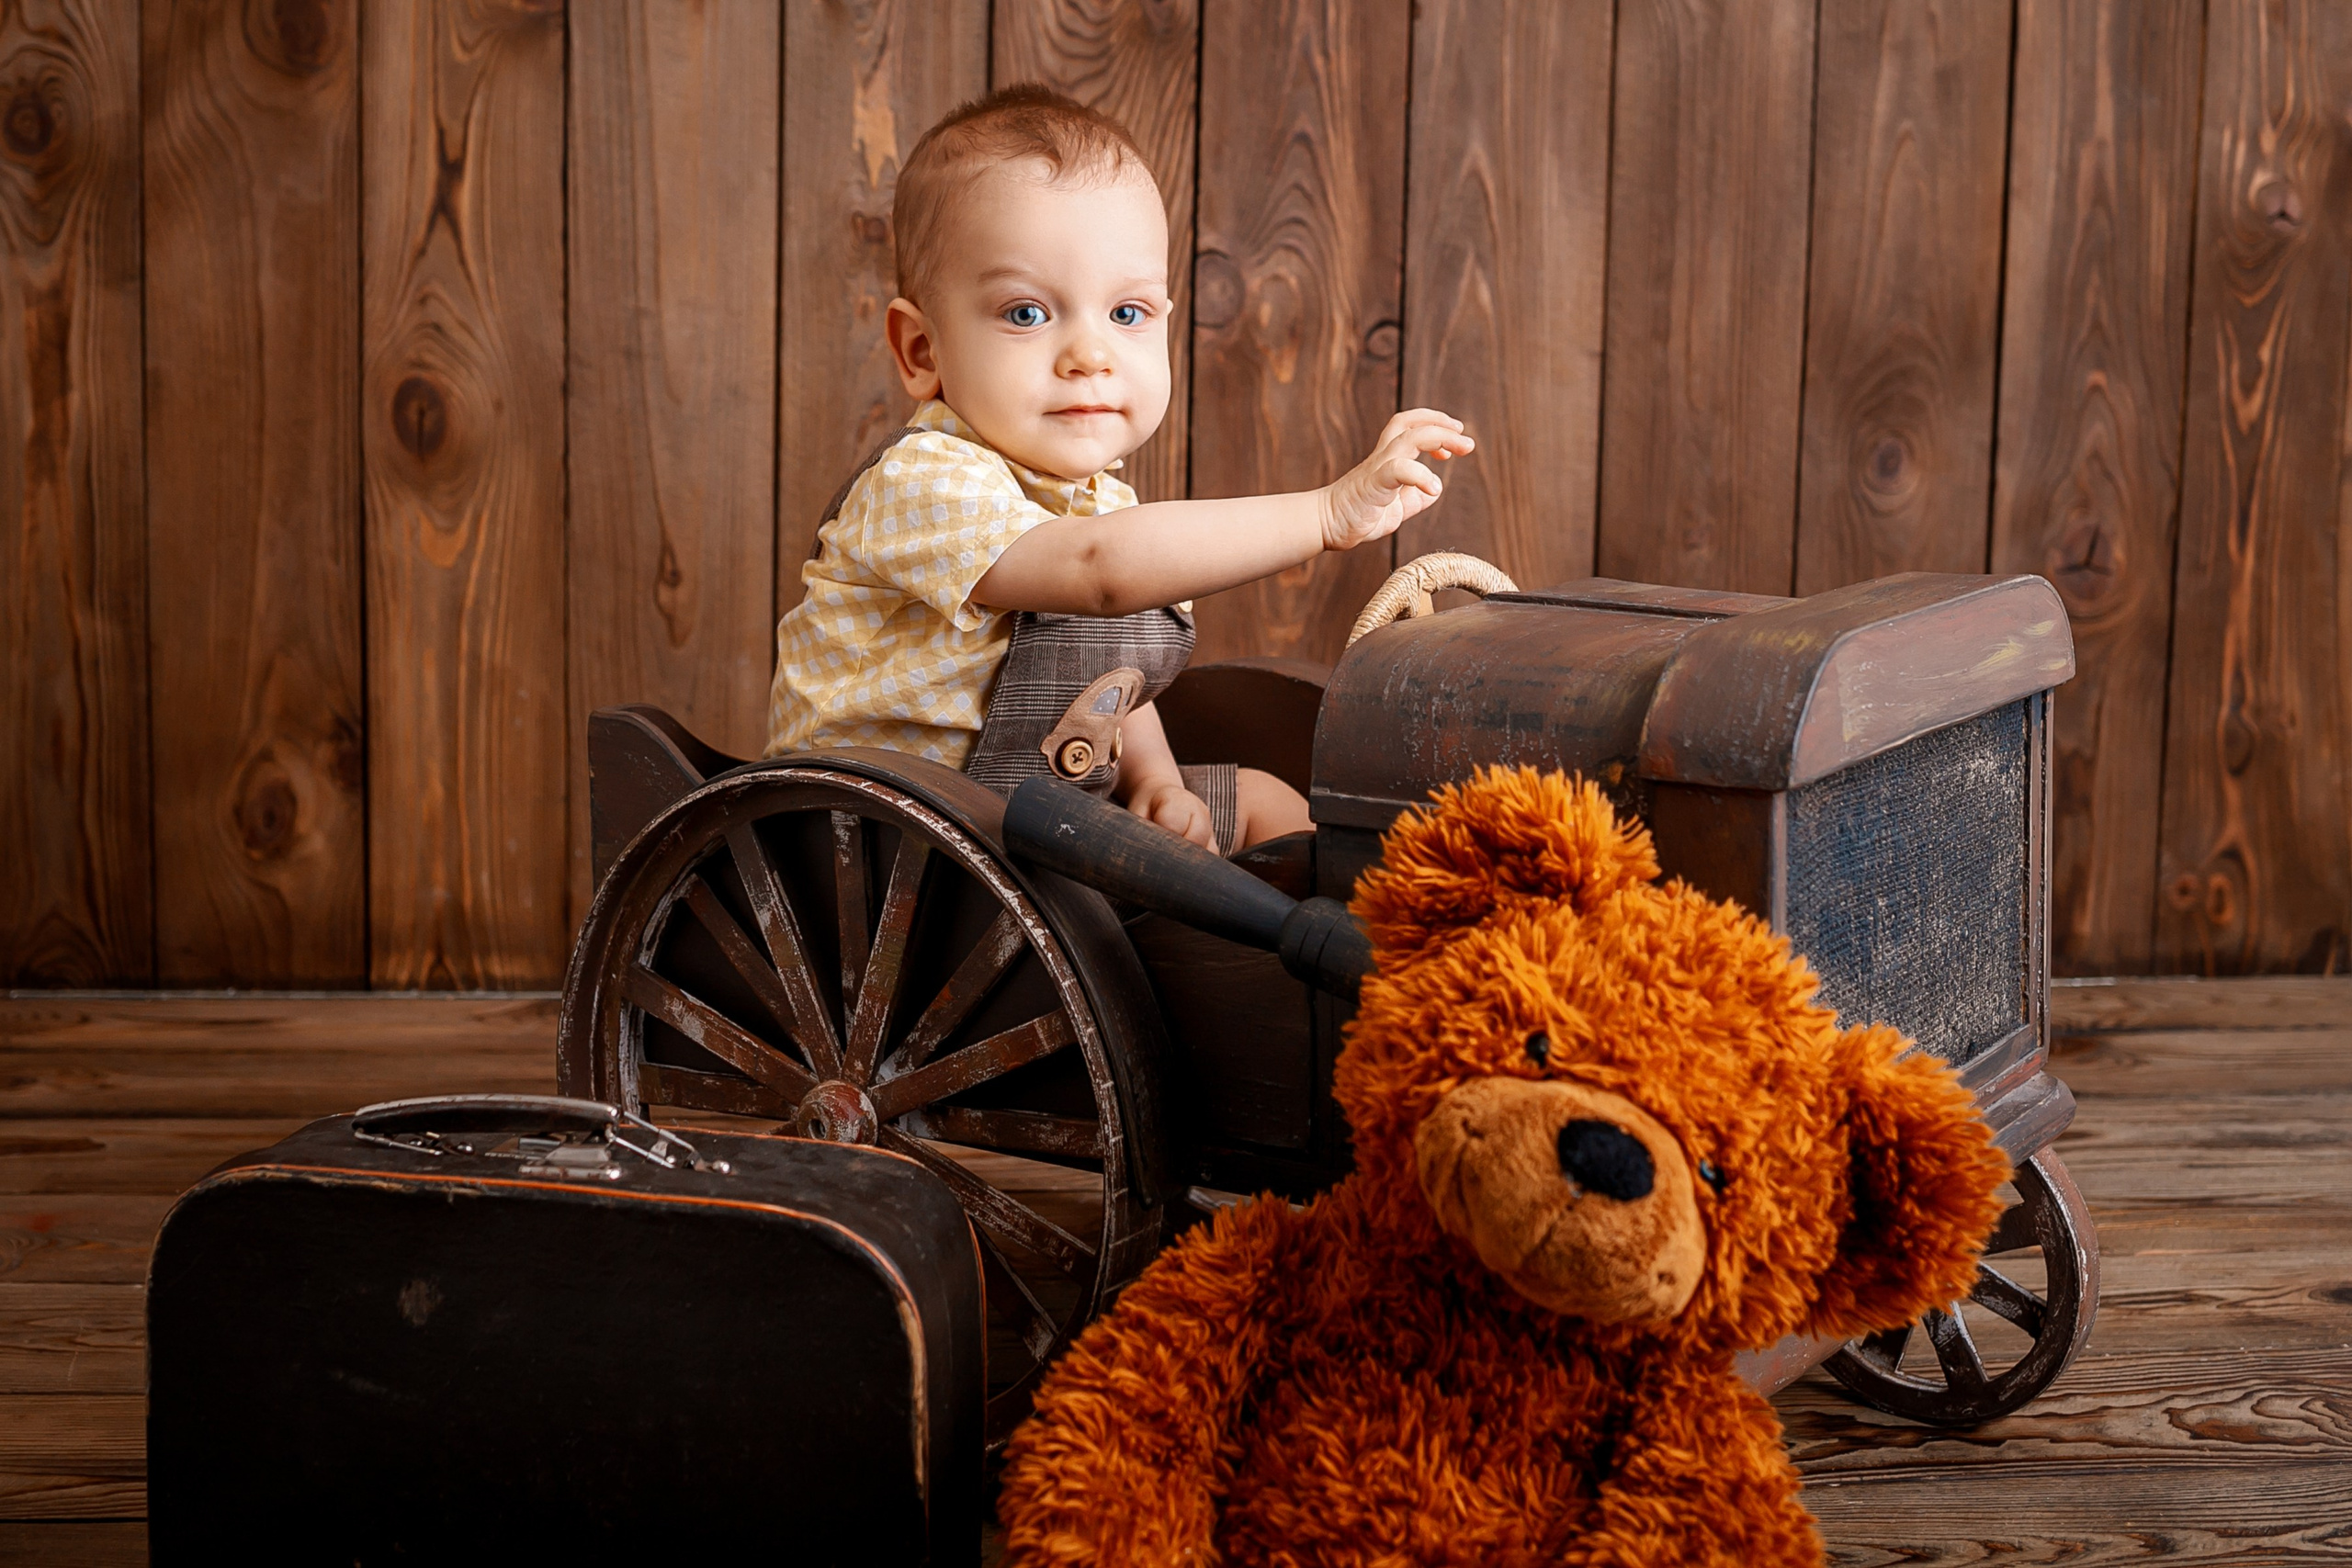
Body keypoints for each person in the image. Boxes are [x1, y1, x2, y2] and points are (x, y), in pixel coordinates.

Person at [766, 84, 1471, 852]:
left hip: (1036, 819)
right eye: (1027, 313)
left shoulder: (1098, 500)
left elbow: (1106, 676)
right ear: (923, 351)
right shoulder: (923, 481)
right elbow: (1102, 573)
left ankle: (1390, 958)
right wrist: (1327, 514)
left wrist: (1155, 781)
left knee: (1272, 807)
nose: (1090, 356)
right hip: (896, 845)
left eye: (1127, 314)